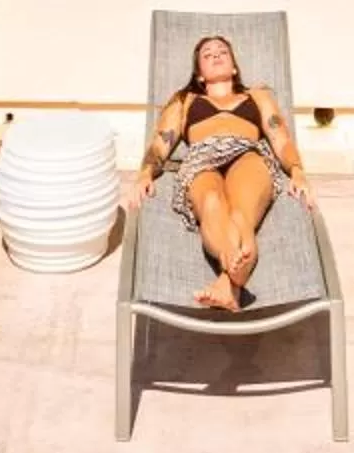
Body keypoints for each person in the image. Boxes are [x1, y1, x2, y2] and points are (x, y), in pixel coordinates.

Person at [121, 32, 316, 310]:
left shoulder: (257, 96)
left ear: (234, 67)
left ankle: (227, 281)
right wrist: (144, 174)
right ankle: (234, 273)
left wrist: (297, 172)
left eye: (222, 51)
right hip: (201, 160)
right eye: (207, 53)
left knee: (240, 212)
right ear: (199, 74)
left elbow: (280, 138)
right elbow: (161, 142)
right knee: (211, 202)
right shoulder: (185, 100)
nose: (215, 54)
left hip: (247, 154)